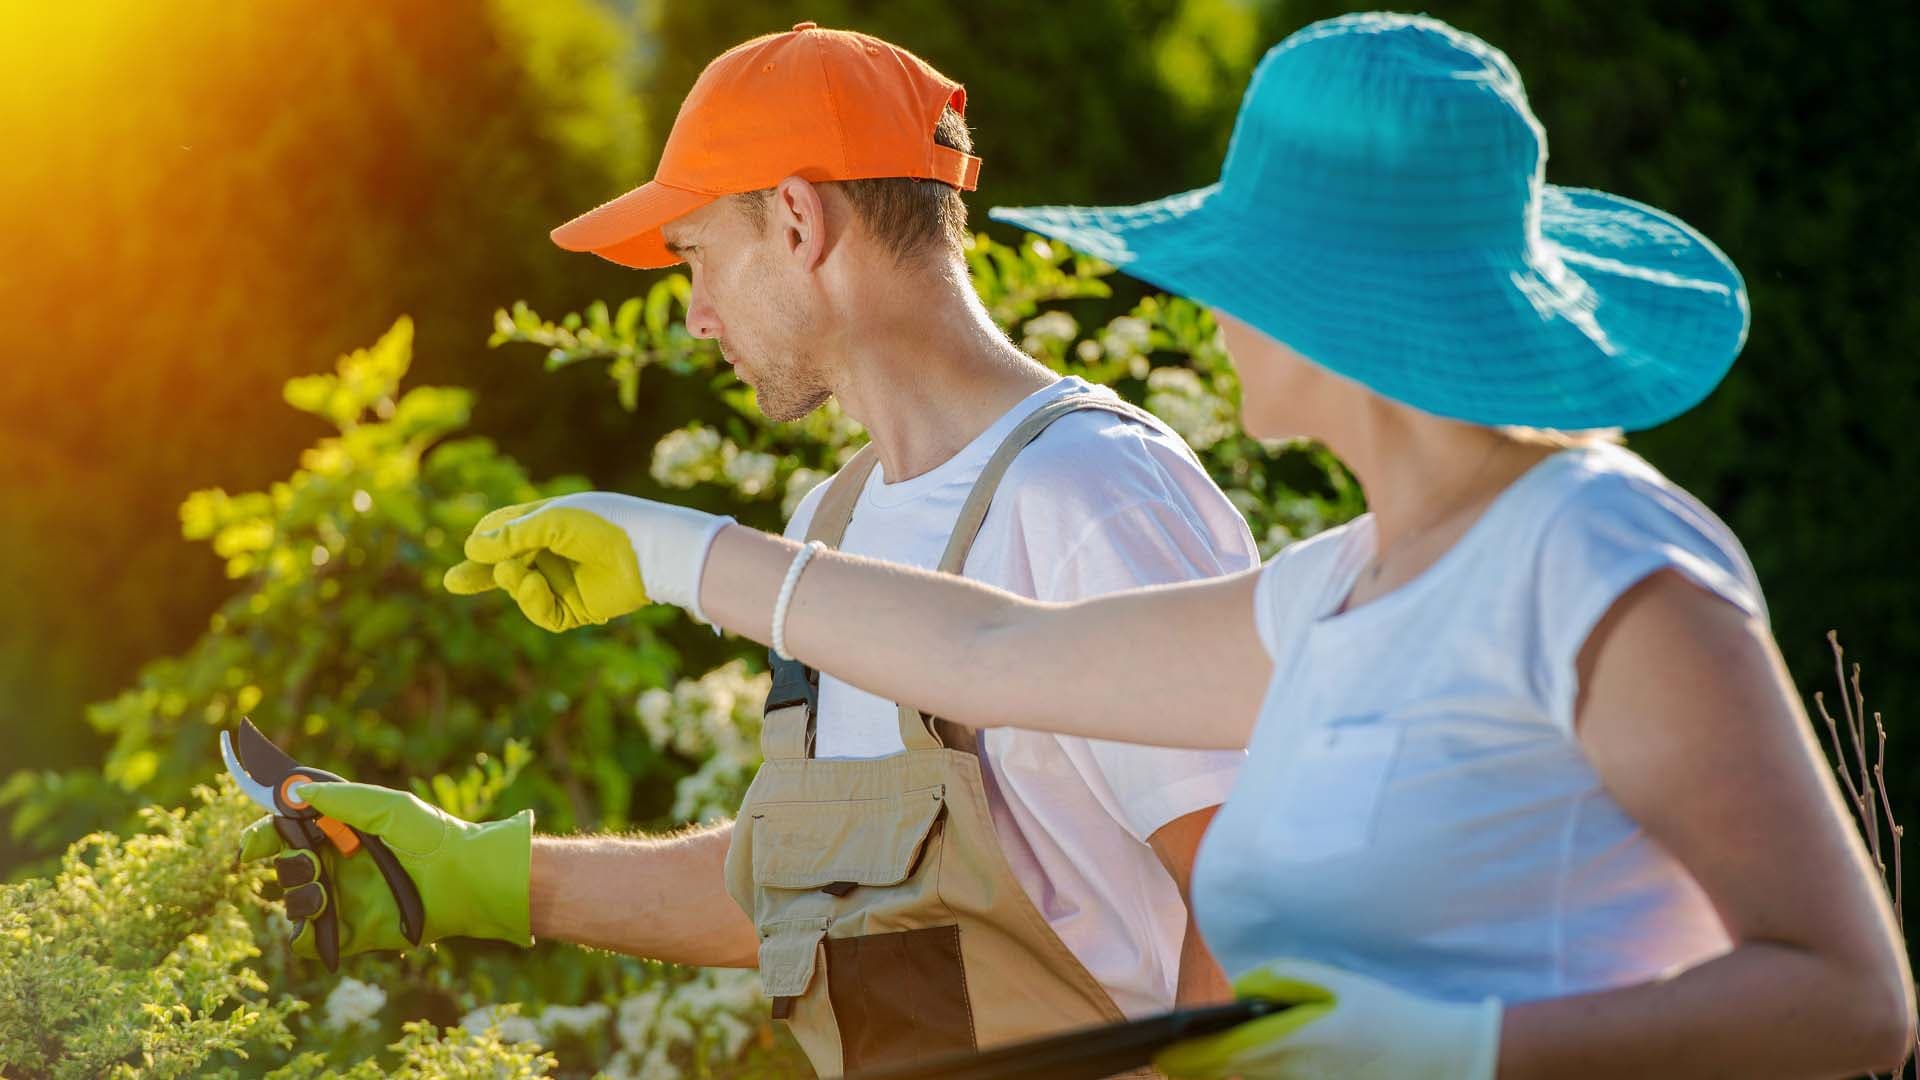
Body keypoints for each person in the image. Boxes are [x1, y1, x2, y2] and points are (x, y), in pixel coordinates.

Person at [435, 12, 1917, 1079]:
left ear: (1338, 305)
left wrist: (1451, 1053)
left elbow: (1851, 1001)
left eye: (1234, 271)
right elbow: (994, 652)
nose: (1206, 313)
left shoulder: (1601, 556)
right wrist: (669, 546)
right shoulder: (1338, 588)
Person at [240, 21, 1254, 1077]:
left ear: (801, 220)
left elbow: (1254, 893)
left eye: (697, 259)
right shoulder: (832, 521)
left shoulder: (1088, 493)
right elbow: (810, 891)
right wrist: (468, 872)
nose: (693, 317)